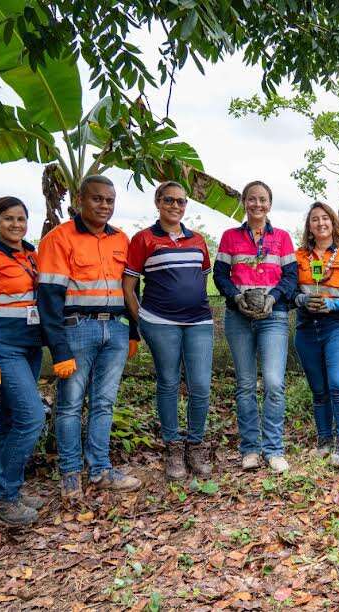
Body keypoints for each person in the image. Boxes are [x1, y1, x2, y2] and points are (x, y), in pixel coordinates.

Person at [38, 175, 141, 501]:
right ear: (80, 199)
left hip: (116, 329)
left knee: (103, 403)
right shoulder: (59, 239)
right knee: (69, 405)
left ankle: (100, 468)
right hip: (76, 329)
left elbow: (131, 290)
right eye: (97, 199)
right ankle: (70, 473)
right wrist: (59, 348)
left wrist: (133, 332)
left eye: (110, 200)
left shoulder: (121, 239)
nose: (104, 206)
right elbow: (49, 297)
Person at [122, 181, 214, 481]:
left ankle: (195, 444)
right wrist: (143, 320)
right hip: (160, 322)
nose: (176, 206)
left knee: (200, 385)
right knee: (169, 383)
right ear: (158, 202)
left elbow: (201, 277)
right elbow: (128, 285)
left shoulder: (197, 240)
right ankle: (173, 447)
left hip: (198, 321)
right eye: (169, 201)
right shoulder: (143, 239)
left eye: (181, 202)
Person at [0, 197, 47, 525]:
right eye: (8, 219)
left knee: (9, 420)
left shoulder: (32, 255)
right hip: (5, 348)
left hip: (31, 346)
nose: (16, 225)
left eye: (21, 219)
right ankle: (4, 496)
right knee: (31, 418)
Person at [213, 181, 297, 474]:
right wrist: (236, 297)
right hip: (239, 317)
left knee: (274, 383)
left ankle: (273, 449)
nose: (257, 204)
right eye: (252, 199)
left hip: (273, 317)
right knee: (245, 385)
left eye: (262, 199)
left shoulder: (283, 238)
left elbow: (291, 277)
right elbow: (220, 275)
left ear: (269, 204)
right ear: (244, 203)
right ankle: (250, 448)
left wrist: (273, 298)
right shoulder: (229, 237)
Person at [294, 202, 339, 467]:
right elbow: (289, 291)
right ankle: (324, 440)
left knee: (338, 383)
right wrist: (301, 299)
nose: (320, 223)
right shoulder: (298, 256)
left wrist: (336, 303)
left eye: (325, 219)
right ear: (309, 227)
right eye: (315, 220)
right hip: (307, 327)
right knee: (319, 388)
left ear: (333, 224)